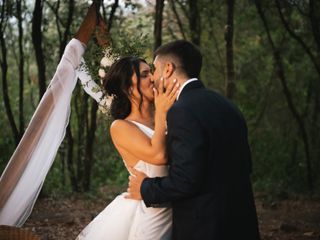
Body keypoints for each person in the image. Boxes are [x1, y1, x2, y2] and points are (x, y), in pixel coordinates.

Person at [127, 40, 261, 240]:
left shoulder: (182, 111)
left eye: (154, 69)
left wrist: (146, 188)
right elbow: (246, 164)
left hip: (205, 226)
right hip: (241, 220)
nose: (153, 77)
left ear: (169, 69)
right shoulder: (227, 104)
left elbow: (186, 180)